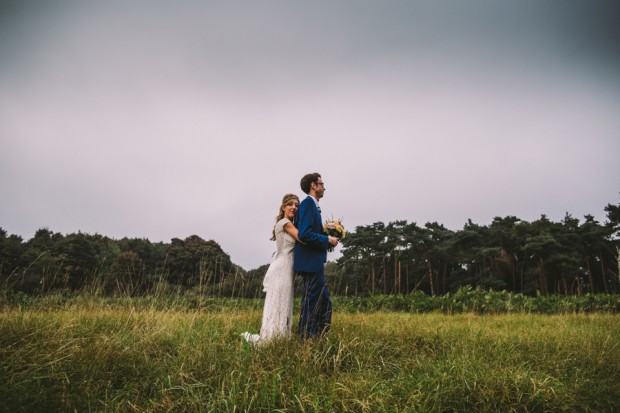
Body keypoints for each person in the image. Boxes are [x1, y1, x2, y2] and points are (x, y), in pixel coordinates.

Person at [242, 193, 300, 345]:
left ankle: (280, 339)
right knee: (278, 303)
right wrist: (325, 234)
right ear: (283, 207)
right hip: (282, 269)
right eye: (291, 204)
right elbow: (303, 238)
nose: (294, 207)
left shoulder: (291, 223)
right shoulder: (285, 223)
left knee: (284, 303)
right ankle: (271, 339)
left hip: (287, 269)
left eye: (296, 205)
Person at [294, 173, 339, 339]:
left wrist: (327, 234)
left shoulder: (313, 206)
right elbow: (304, 234)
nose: (324, 187)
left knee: (324, 301)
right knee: (312, 301)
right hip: (310, 262)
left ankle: (318, 335)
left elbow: (311, 232)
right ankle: (307, 336)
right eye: (322, 183)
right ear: (313, 185)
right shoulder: (307, 204)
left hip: (314, 262)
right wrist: (327, 238)